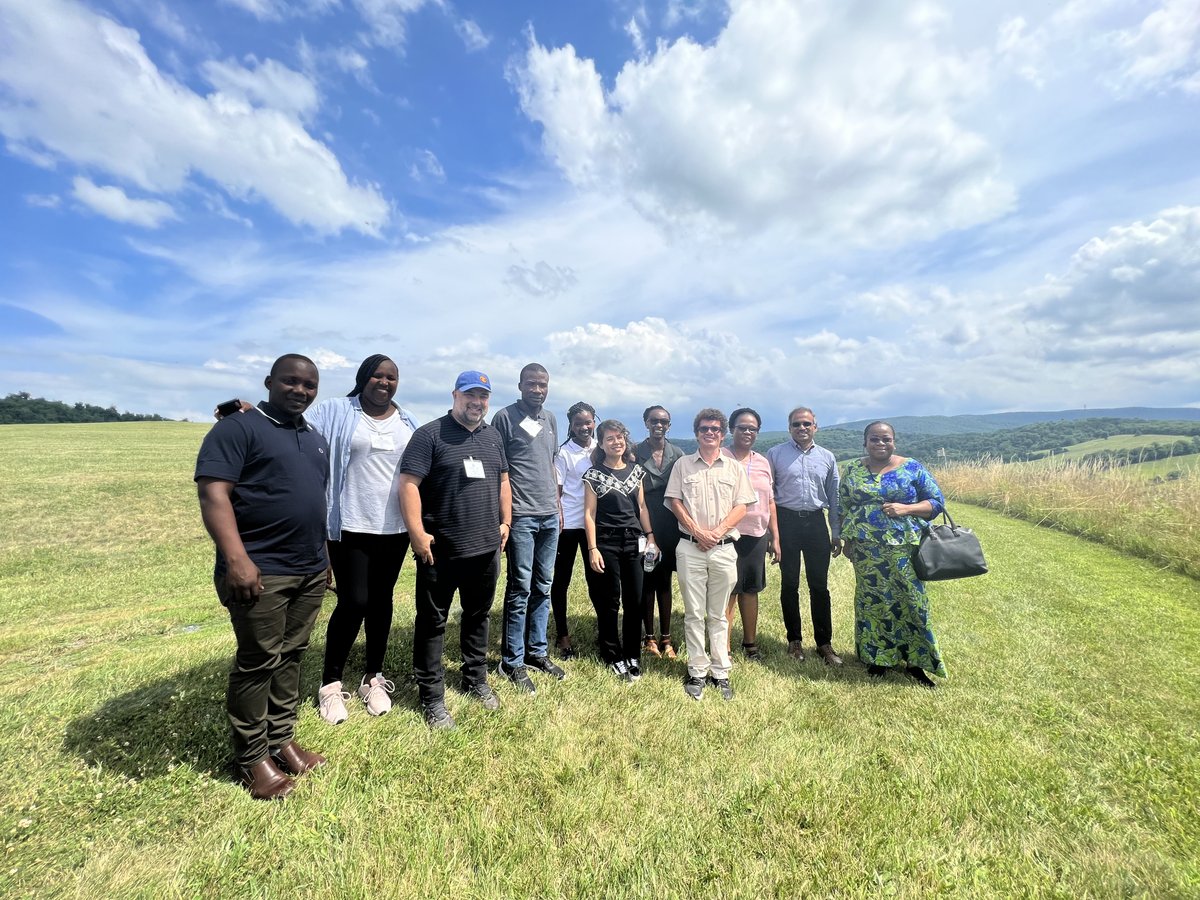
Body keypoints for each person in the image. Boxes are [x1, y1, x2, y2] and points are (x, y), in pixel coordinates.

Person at [195, 354, 331, 800]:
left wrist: (324, 557)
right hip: (260, 570)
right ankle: (252, 757)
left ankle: (281, 740)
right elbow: (214, 494)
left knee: (292, 655)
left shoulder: (314, 438)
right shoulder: (238, 429)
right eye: (291, 381)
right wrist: (236, 559)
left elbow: (315, 502)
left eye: (309, 385)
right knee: (258, 661)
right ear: (269, 381)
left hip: (309, 568)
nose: (300, 391)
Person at [305, 355, 419, 725]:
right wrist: (254, 415)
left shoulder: (407, 421)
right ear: (363, 377)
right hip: (350, 524)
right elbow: (295, 428)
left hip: (394, 529)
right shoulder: (335, 411)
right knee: (354, 601)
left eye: (391, 377)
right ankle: (330, 685)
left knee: (382, 601)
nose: (384, 382)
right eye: (377, 376)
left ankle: (373, 678)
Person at [399, 371, 512, 729]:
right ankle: (432, 696)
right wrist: (417, 533)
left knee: (478, 615)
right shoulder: (429, 435)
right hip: (441, 550)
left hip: (486, 549)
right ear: (455, 395)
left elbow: (503, 479)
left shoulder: (493, 436)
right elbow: (408, 484)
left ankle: (475, 678)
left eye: (483, 396)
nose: (477, 402)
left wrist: (506, 522)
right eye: (470, 395)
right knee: (433, 622)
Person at [838, 421, 947, 688]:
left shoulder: (912, 467)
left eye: (886, 439)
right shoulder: (852, 469)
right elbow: (844, 505)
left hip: (904, 547)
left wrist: (906, 509)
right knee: (873, 600)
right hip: (866, 549)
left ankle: (916, 662)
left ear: (894, 442)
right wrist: (845, 539)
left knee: (911, 600)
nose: (880, 443)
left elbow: (936, 503)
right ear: (865, 442)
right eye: (874, 439)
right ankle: (878, 658)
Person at [664, 408, 756, 701]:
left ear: (722, 434)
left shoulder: (734, 468)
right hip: (690, 547)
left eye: (715, 429)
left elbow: (742, 505)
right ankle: (696, 671)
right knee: (693, 613)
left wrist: (716, 532)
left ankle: (720, 671)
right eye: (704, 429)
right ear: (696, 433)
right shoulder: (682, 465)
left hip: (723, 548)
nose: (710, 433)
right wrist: (697, 531)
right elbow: (674, 501)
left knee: (718, 614)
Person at [493, 363, 565, 693]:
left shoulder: (550, 419)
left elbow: (550, 465)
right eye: (531, 384)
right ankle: (512, 661)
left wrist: (558, 507)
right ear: (520, 385)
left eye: (543, 384)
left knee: (543, 586)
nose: (537, 389)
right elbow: (500, 471)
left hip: (549, 514)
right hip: (521, 515)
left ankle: (537, 652)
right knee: (520, 587)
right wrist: (505, 517)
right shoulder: (505, 418)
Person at [766, 406, 844, 666]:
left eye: (807, 424)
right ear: (789, 428)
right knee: (789, 584)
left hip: (816, 523)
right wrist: (771, 534)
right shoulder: (775, 454)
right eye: (797, 424)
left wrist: (836, 531)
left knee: (819, 586)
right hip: (786, 521)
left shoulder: (827, 457)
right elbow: (768, 496)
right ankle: (794, 641)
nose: (802, 428)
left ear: (815, 427)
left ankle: (824, 644)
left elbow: (834, 497)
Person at [582, 420, 658, 682]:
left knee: (635, 600)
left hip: (634, 542)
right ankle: (612, 654)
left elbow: (642, 508)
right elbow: (589, 514)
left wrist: (651, 537)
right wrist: (592, 548)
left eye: (620, 437)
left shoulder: (636, 472)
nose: (616, 442)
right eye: (610, 438)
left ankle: (632, 653)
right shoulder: (594, 474)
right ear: (601, 444)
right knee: (610, 600)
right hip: (607, 543)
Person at [721, 408, 779, 661]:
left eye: (752, 429)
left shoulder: (763, 462)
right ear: (731, 430)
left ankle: (750, 644)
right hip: (727, 533)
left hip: (756, 535)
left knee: (751, 589)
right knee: (728, 591)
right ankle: (724, 647)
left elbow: (770, 501)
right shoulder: (720, 457)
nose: (747, 432)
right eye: (742, 427)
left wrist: (775, 536)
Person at [635, 405, 684, 659]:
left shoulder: (677, 454)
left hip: (669, 522)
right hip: (643, 521)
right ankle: (649, 637)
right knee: (647, 579)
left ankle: (666, 638)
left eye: (664, 421)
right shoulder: (634, 452)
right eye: (654, 420)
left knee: (664, 580)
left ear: (669, 425)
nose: (659, 425)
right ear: (646, 422)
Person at [552, 401, 597, 659]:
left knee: (597, 580)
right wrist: (558, 517)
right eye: (578, 423)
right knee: (561, 580)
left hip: (593, 525)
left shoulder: (600, 449)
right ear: (571, 425)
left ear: (594, 422)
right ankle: (563, 635)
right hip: (568, 524)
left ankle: (604, 631)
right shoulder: (563, 453)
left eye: (588, 422)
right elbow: (557, 491)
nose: (584, 427)